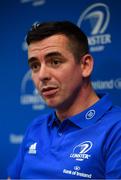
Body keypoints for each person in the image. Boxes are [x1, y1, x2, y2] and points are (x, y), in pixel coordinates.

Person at [8, 20, 121, 179]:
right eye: (35, 66)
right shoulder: (36, 126)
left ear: (85, 65)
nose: (42, 75)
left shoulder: (116, 129)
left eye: (55, 61)